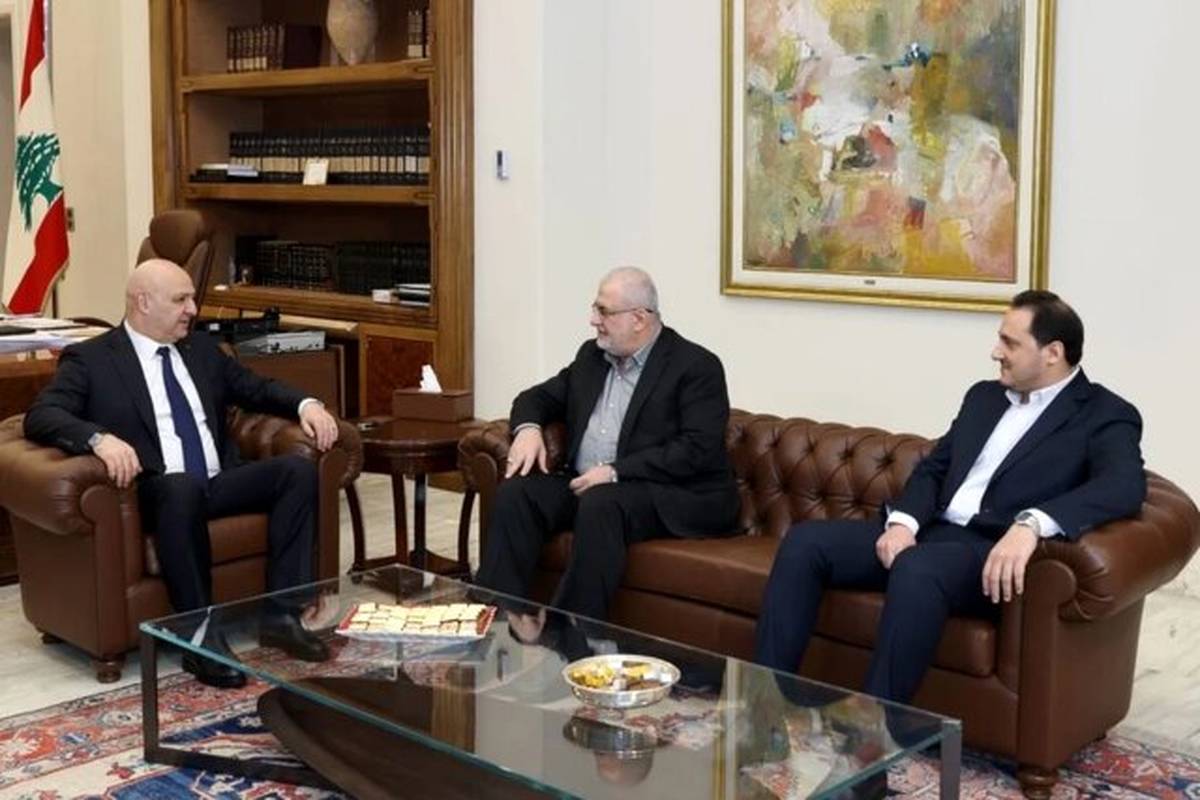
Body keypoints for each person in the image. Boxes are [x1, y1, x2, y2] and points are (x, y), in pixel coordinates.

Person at [755, 290, 1146, 706]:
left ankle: (873, 729)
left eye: (1010, 343)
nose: (996, 352)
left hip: (986, 550)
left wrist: (1031, 524)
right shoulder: (983, 397)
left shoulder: (1104, 413)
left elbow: (1123, 485)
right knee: (806, 542)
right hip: (930, 532)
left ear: (1053, 353)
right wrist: (904, 523)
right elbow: (935, 468)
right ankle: (763, 706)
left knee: (917, 568)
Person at [24, 259, 341, 688]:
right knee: (180, 488)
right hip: (155, 490)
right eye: (180, 300)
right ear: (143, 302)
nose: (192, 309)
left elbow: (257, 388)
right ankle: (200, 637)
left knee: (296, 472)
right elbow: (43, 415)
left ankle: (282, 615)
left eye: (192, 298)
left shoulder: (201, 350)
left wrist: (307, 404)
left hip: (214, 481)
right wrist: (98, 438)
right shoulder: (93, 359)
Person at [474, 266, 739, 621]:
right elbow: (536, 397)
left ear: (639, 319)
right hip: (590, 485)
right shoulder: (592, 358)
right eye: (595, 308)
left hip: (673, 493)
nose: (593, 320)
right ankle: (494, 622)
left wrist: (615, 472)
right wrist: (528, 429)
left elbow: (697, 449)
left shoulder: (695, 367)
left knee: (602, 503)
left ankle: (566, 634)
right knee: (517, 494)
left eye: (604, 311)